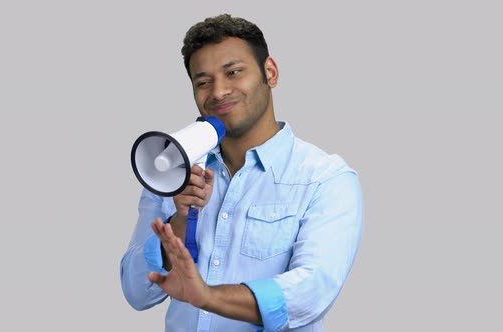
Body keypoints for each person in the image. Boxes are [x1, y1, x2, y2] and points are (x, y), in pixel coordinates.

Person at [120, 13, 364, 332]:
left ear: (270, 72)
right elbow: (136, 293)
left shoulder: (325, 179)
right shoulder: (172, 173)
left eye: (233, 72)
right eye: (203, 81)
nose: (219, 92)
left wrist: (208, 296)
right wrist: (179, 222)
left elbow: (312, 292)